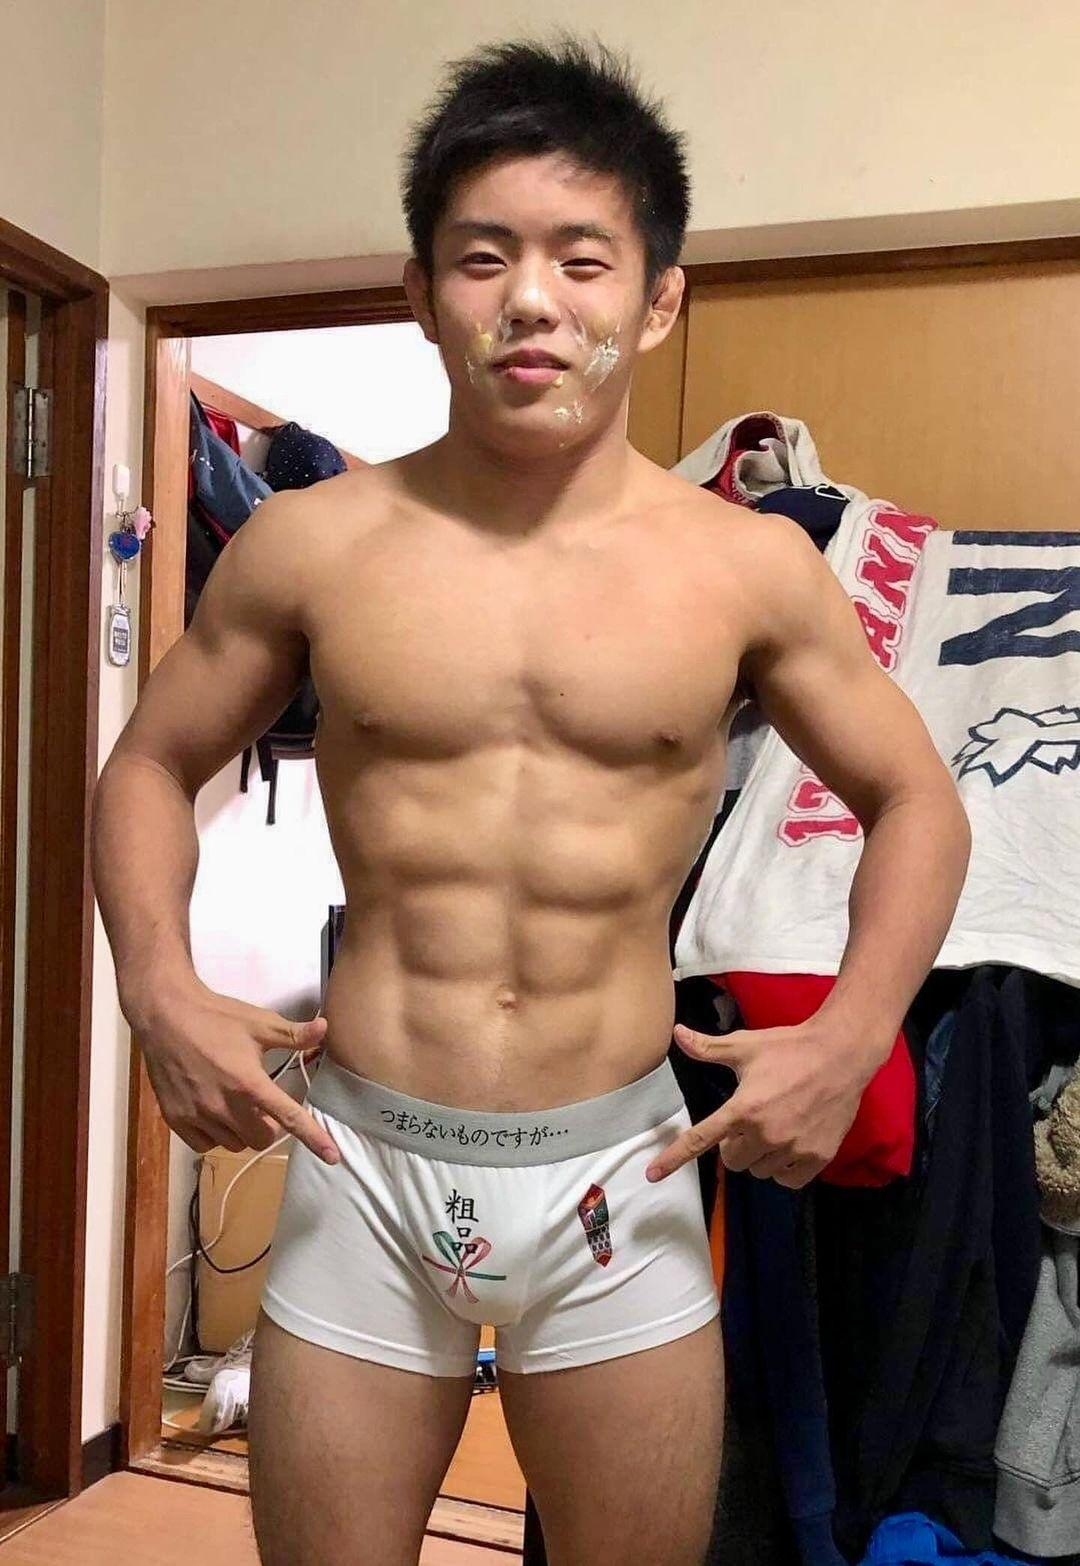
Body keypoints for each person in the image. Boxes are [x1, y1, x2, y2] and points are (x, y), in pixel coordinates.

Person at [91, 36, 971, 1566]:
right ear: (424, 291)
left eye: (583, 257)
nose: (534, 300)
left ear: (659, 296)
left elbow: (919, 799)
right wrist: (158, 984)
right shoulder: (310, 543)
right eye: (484, 256)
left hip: (617, 1166)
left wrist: (854, 1030)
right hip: (361, 1162)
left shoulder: (745, 567)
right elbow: (148, 765)